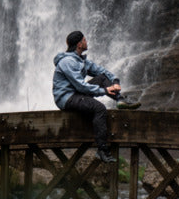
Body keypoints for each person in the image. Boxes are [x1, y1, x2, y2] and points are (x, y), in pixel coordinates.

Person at [52, 30, 140, 163]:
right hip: (66, 98)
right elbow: (80, 85)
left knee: (101, 77)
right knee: (99, 109)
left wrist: (115, 81)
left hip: (77, 94)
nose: (87, 42)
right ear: (79, 44)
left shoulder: (81, 60)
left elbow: (102, 71)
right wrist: (105, 90)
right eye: (85, 40)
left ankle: (120, 99)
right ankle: (102, 150)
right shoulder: (67, 62)